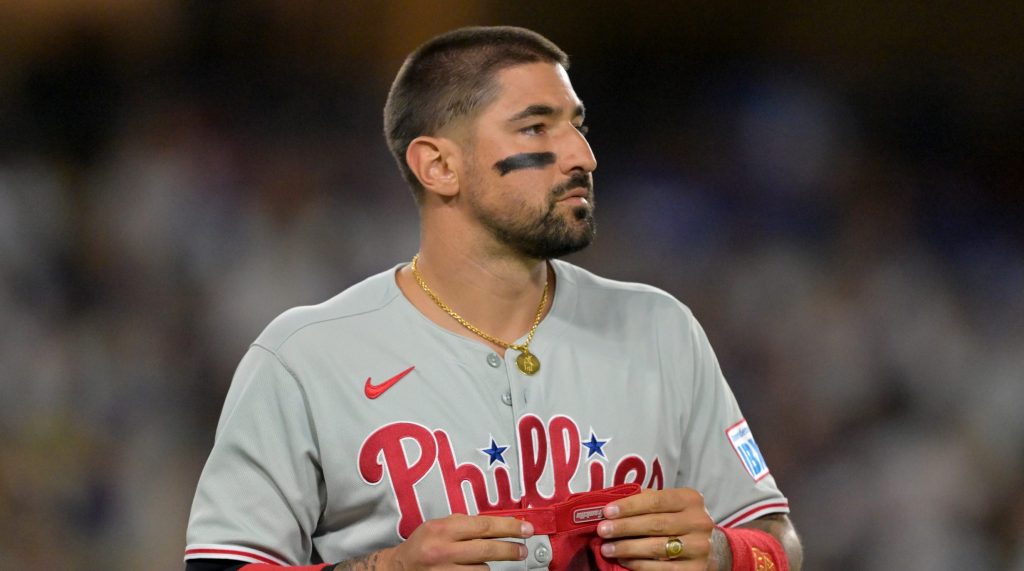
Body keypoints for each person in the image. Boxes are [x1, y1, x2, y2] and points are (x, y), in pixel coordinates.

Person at [185, 26, 802, 571]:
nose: (582, 156)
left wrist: (726, 554)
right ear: (438, 167)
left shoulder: (660, 328)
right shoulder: (306, 357)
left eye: (578, 126)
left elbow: (776, 538)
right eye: (537, 127)